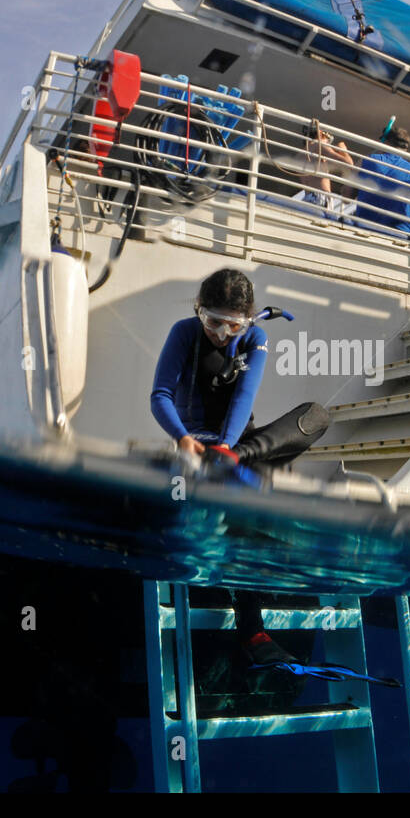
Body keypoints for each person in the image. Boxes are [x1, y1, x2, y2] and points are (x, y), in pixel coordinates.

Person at [150, 268, 330, 665]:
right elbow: (160, 394)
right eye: (213, 322)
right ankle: (252, 630)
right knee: (239, 503)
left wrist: (230, 448)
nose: (222, 333)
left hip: (240, 446)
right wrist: (184, 439)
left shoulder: (255, 338)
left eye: (233, 324)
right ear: (199, 311)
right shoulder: (184, 333)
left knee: (316, 416)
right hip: (195, 444)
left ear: (247, 320)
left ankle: (244, 467)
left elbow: (243, 399)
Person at [354, 125, 410, 235]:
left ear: (386, 141)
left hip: (363, 228)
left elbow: (346, 196)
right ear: (406, 148)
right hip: (399, 235)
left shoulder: (365, 161)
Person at [294, 122, 354, 214]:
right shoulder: (320, 146)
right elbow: (348, 164)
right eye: (327, 139)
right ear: (321, 133)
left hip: (308, 197)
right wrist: (343, 150)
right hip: (320, 199)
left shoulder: (301, 154)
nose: (328, 143)